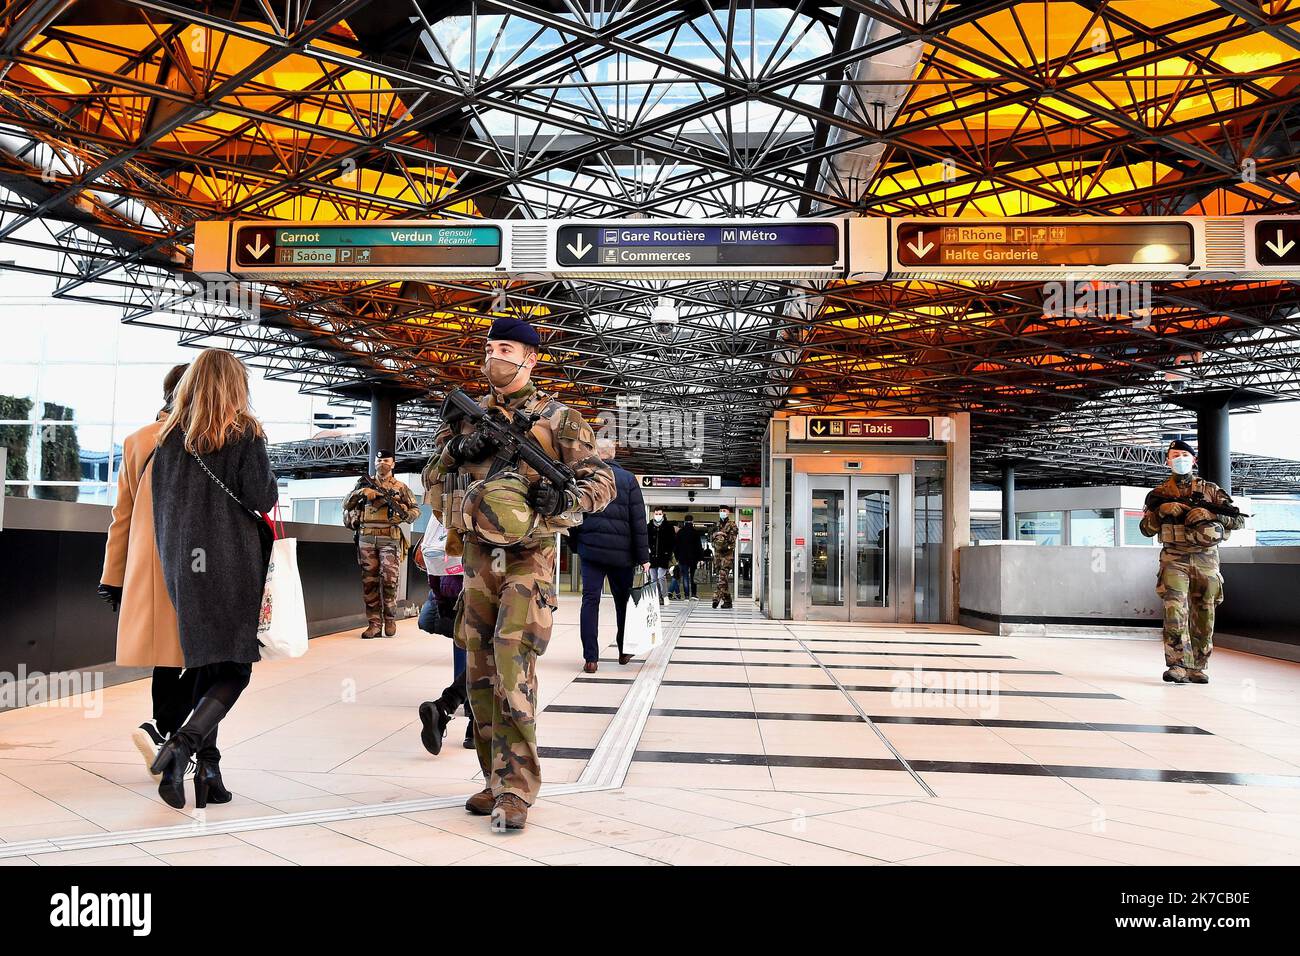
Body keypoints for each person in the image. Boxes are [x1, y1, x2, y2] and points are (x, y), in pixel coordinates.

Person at [422, 315, 614, 830]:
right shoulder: (466, 417)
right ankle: (492, 779)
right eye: (491, 347)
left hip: (528, 558)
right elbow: (431, 479)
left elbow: (601, 483)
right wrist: (454, 452)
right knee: (479, 673)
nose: (495, 356)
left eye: (507, 348)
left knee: (512, 666)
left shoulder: (560, 418)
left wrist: (561, 500)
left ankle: (517, 789)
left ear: (530, 358)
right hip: (478, 560)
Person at [145, 349, 280, 810]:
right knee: (235, 668)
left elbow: (159, 507)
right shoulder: (244, 432)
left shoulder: (167, 440)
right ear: (235, 386)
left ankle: (209, 771)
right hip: (230, 563)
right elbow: (262, 497)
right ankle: (182, 746)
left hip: (183, 565)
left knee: (206, 663)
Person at [98, 363, 197, 778]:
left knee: (168, 654)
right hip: (197, 561)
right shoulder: (205, 440)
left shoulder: (139, 440)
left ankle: (163, 732)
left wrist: (112, 576)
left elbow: (122, 515)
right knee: (200, 656)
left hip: (149, 566)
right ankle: (170, 736)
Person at [1139, 440, 1246, 684]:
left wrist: (1211, 514)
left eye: (1184, 455)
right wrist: (1161, 512)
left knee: (1204, 612)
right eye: (1174, 455)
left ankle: (1198, 665)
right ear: (1167, 461)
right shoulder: (1158, 494)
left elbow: (1238, 520)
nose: (1180, 459)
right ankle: (1177, 664)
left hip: (1206, 558)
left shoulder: (1210, 490)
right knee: (1174, 609)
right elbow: (1145, 529)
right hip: (1174, 558)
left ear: (1194, 460)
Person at [568, 438, 650, 671]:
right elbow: (638, 521)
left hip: (591, 551)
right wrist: (643, 557)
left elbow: (574, 514)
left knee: (590, 601)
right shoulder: (628, 480)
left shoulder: (585, 477)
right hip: (622, 555)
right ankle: (624, 651)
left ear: (595, 453)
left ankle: (591, 659)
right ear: (613, 454)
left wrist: (577, 546)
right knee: (623, 603)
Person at [343, 452, 421, 638]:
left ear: (393, 464)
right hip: (366, 538)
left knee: (389, 581)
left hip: (389, 538)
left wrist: (403, 513)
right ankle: (374, 624)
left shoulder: (401, 487)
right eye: (378, 460)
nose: (382, 463)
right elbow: (346, 504)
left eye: (386, 460)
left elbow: (415, 510)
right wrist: (362, 493)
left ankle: (390, 619)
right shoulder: (364, 484)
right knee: (369, 582)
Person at [416, 515, 473, 753]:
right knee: (497, 657)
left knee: (478, 654)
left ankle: (445, 707)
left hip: (452, 592)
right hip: (491, 583)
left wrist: (440, 599)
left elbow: (433, 560)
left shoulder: (450, 493)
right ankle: (473, 723)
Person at [711, 505, 739, 609]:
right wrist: (716, 534)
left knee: (722, 578)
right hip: (718, 557)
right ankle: (728, 601)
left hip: (727, 557)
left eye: (724, 511)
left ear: (728, 513)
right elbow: (711, 539)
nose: (722, 512)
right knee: (724, 580)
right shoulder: (716, 525)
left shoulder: (732, 525)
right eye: (721, 511)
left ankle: (716, 598)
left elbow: (732, 539)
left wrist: (723, 535)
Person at [646, 507, 675, 606]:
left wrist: (669, 553)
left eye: (659, 514)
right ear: (653, 514)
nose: (658, 515)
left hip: (663, 556)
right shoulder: (649, 526)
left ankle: (665, 596)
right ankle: (657, 597)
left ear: (663, 514)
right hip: (652, 557)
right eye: (656, 513)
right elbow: (645, 540)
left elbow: (672, 542)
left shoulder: (668, 527)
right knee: (653, 578)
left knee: (661, 576)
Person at [674, 515, 702, 599]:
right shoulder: (695, 532)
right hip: (693, 558)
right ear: (692, 522)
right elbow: (699, 546)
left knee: (685, 576)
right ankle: (693, 594)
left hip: (682, 558)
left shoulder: (680, 532)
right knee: (693, 576)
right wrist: (700, 558)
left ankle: (686, 596)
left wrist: (677, 557)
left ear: (684, 522)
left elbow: (676, 546)